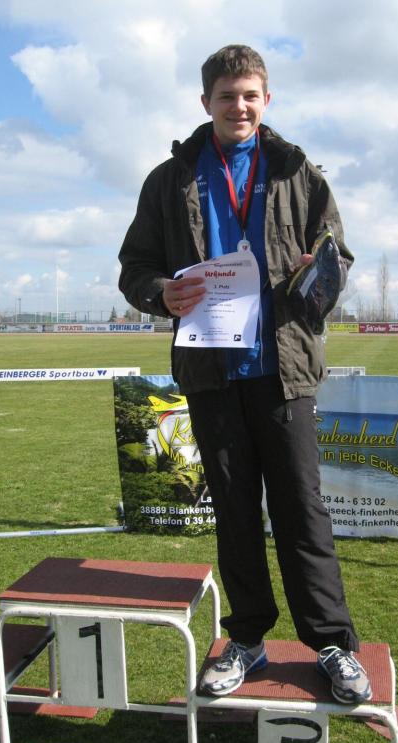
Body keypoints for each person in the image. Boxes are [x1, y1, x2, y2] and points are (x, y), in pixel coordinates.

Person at [118, 44, 372, 704]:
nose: (240, 106)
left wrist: (321, 275)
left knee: (301, 511)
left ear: (267, 99)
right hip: (212, 371)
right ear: (206, 102)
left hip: (283, 371)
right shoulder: (169, 180)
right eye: (227, 96)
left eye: (251, 95)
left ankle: (332, 643)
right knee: (233, 511)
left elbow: (337, 255)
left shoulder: (298, 172)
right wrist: (159, 293)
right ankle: (248, 638)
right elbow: (135, 267)